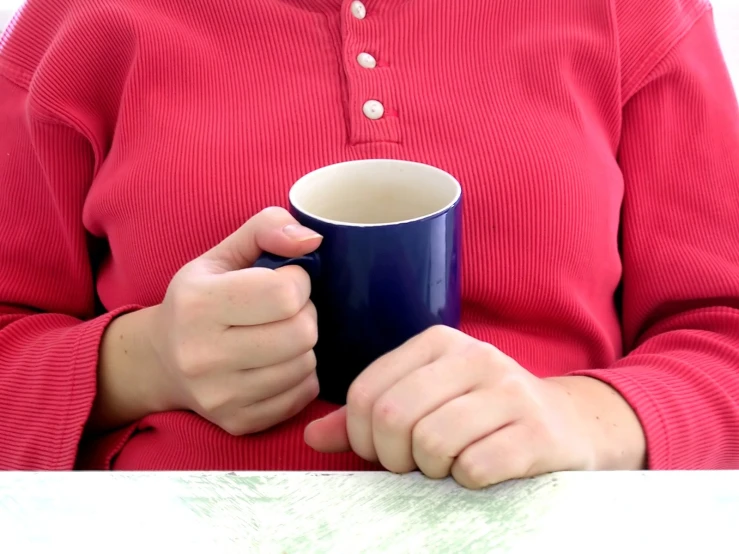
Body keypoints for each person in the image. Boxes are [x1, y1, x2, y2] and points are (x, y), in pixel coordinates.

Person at [0, 0, 737, 488]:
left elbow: (722, 328)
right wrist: (145, 361)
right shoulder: (76, 21)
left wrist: (585, 418)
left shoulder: (633, 11)